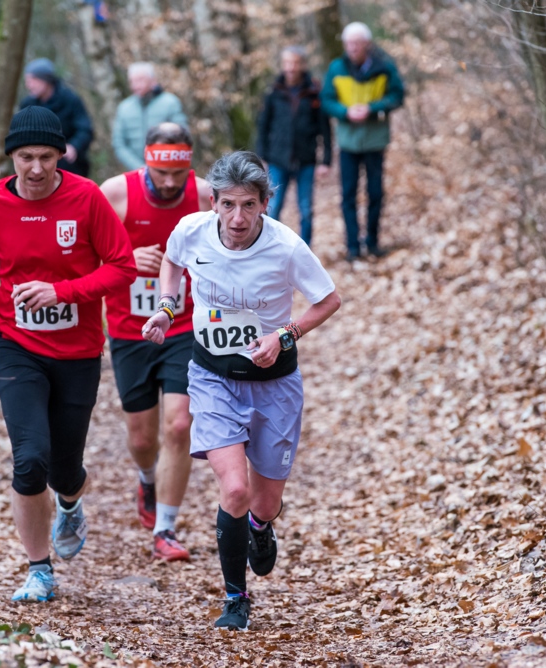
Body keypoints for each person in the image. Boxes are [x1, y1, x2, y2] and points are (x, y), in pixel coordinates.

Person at [141, 151, 341, 630]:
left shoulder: (287, 247)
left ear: (265, 204)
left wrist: (283, 336)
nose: (237, 218)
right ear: (213, 202)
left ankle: (260, 527)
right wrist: (168, 309)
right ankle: (235, 597)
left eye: (248, 205)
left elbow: (329, 300)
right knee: (234, 489)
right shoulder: (191, 231)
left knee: (263, 502)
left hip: (275, 385)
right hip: (213, 379)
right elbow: (171, 262)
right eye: (228, 204)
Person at [0, 106, 136, 603]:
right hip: (17, 348)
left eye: (47, 157)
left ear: (62, 157)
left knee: (64, 469)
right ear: (11, 156)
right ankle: (39, 570)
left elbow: (121, 267)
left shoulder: (86, 198)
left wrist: (66, 292)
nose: (35, 168)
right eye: (26, 157)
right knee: (29, 461)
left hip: (77, 352)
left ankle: (70, 503)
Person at [100, 123, 211, 562]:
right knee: (143, 438)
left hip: (184, 326)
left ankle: (165, 528)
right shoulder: (115, 194)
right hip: (130, 330)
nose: (168, 183)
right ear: (145, 158)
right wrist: (128, 260)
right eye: (161, 173)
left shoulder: (204, 195)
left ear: (189, 165)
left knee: (179, 425)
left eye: (178, 174)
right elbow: (85, 253)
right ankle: (147, 479)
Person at [321, 22, 404, 260]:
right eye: (349, 43)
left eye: (357, 43)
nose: (353, 48)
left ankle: (373, 242)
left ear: (367, 44)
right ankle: (353, 247)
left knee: (375, 193)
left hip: (375, 140)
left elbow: (397, 96)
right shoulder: (336, 68)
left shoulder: (385, 67)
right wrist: (345, 112)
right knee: (348, 195)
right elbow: (326, 100)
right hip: (348, 142)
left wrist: (373, 109)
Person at [255, 46, 332, 247]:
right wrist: (260, 156)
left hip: (306, 160)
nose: (291, 67)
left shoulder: (314, 92)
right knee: (273, 207)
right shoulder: (273, 92)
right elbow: (263, 125)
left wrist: (326, 161)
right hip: (277, 159)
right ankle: (269, 248)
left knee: (305, 209)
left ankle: (304, 251)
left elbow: (325, 129)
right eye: (287, 63)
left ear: (302, 65)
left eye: (295, 63)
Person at [19, 58, 95, 177]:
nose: (28, 86)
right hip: (36, 166)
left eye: (32, 80)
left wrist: (74, 147)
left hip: (69, 163)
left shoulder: (70, 99)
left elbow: (85, 129)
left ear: (45, 80)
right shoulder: (27, 105)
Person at [112, 63, 189, 171]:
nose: (136, 85)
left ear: (153, 81)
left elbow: (182, 136)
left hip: (168, 169)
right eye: (132, 81)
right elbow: (119, 144)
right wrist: (139, 167)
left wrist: (161, 166)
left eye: (140, 80)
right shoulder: (124, 108)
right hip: (136, 172)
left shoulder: (170, 102)